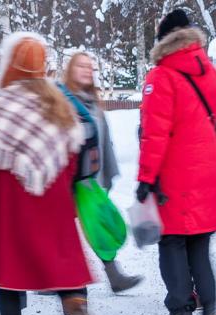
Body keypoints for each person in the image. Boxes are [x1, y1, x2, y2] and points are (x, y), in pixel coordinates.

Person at [0, 32, 98, 315]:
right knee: (59, 257)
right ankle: (75, 306)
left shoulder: (4, 104)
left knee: (9, 266)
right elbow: (72, 153)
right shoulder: (58, 102)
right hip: (54, 195)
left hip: (11, 199)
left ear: (13, 64)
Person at [136, 10, 216, 315]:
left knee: (172, 241)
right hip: (204, 170)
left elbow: (154, 134)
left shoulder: (161, 76)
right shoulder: (210, 71)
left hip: (174, 173)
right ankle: (209, 303)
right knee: (199, 241)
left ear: (164, 39)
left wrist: (146, 178)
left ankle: (181, 313)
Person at [60, 52, 143, 294]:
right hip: (70, 179)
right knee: (64, 232)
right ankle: (56, 280)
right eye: (81, 66)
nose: (87, 70)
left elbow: (104, 140)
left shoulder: (92, 102)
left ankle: (112, 276)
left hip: (90, 178)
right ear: (71, 70)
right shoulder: (63, 99)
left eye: (90, 67)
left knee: (94, 225)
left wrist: (108, 173)